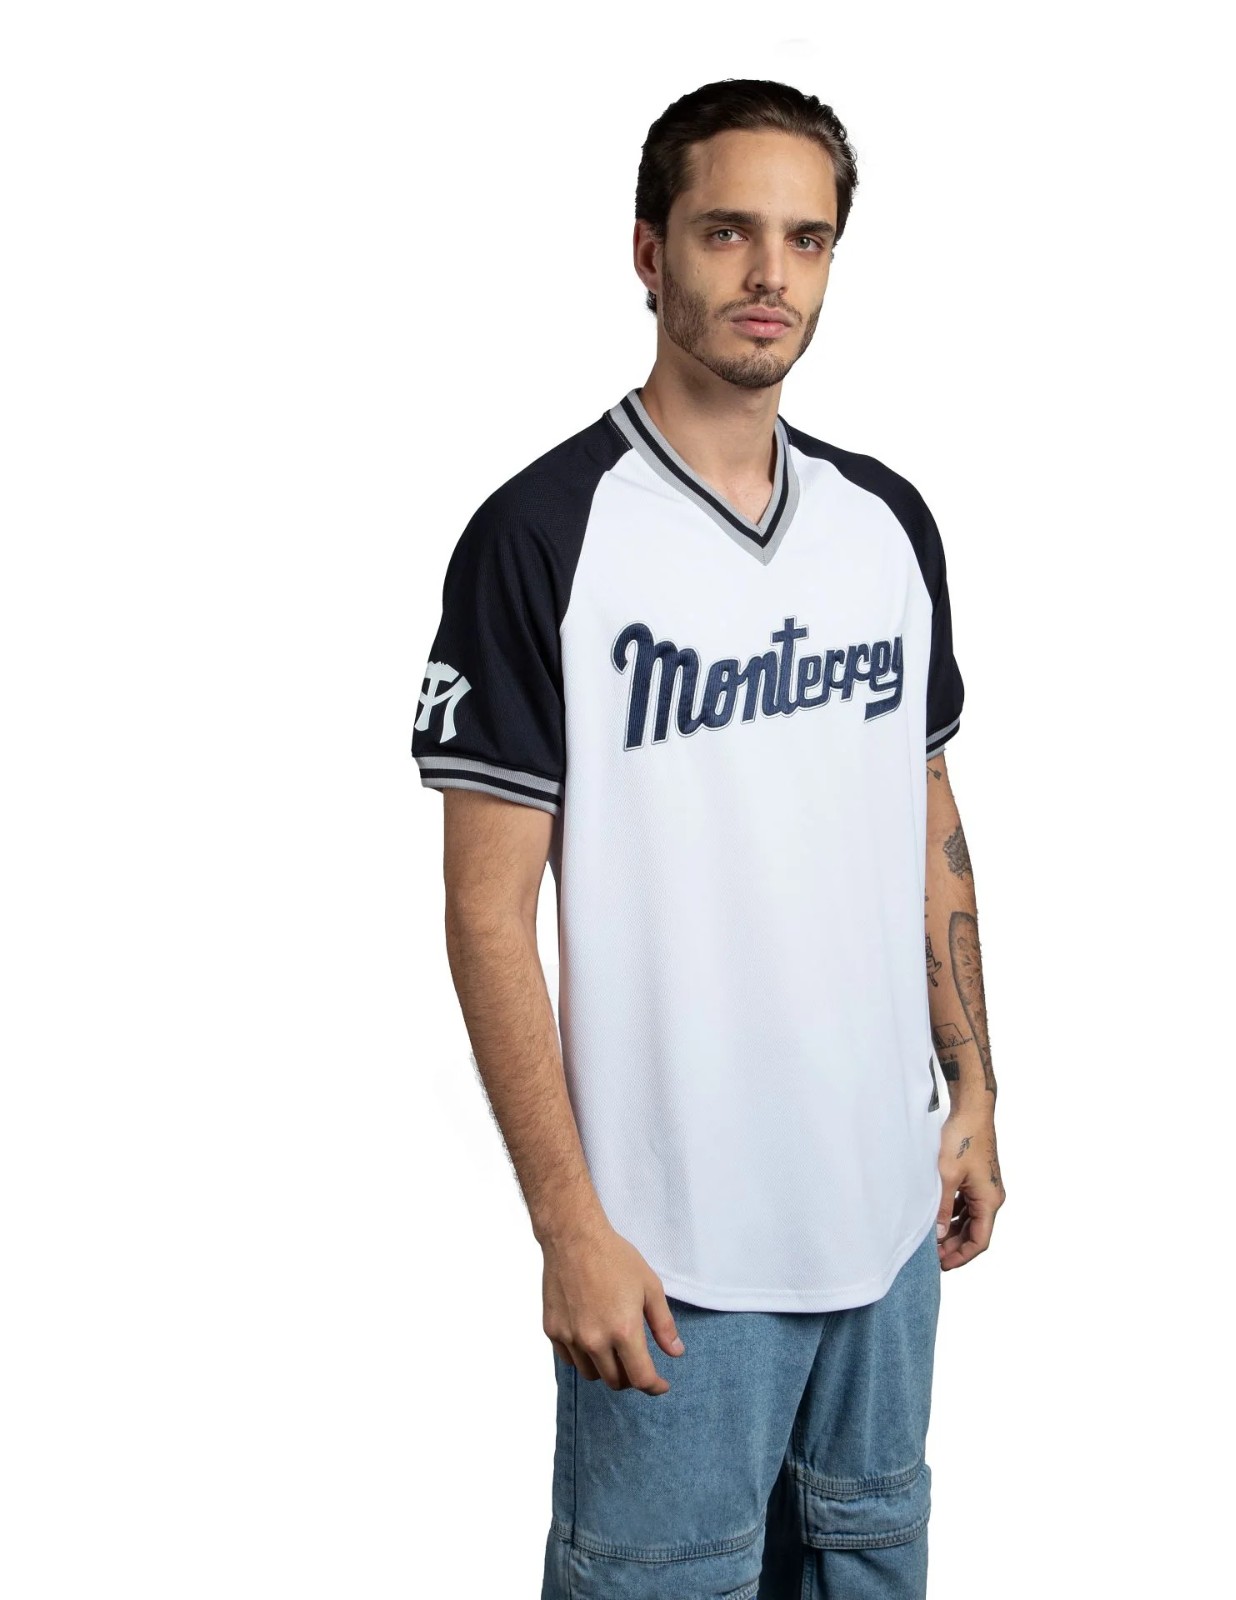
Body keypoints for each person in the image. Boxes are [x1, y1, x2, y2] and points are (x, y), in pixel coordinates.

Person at [411, 77, 1004, 1598]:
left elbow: (924, 809)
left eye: (806, 240)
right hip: (671, 1267)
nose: (769, 275)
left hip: (884, 1239)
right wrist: (568, 1225)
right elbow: (485, 910)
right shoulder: (544, 534)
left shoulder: (887, 523)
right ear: (648, 249)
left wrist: (977, 1093)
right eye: (728, 230)